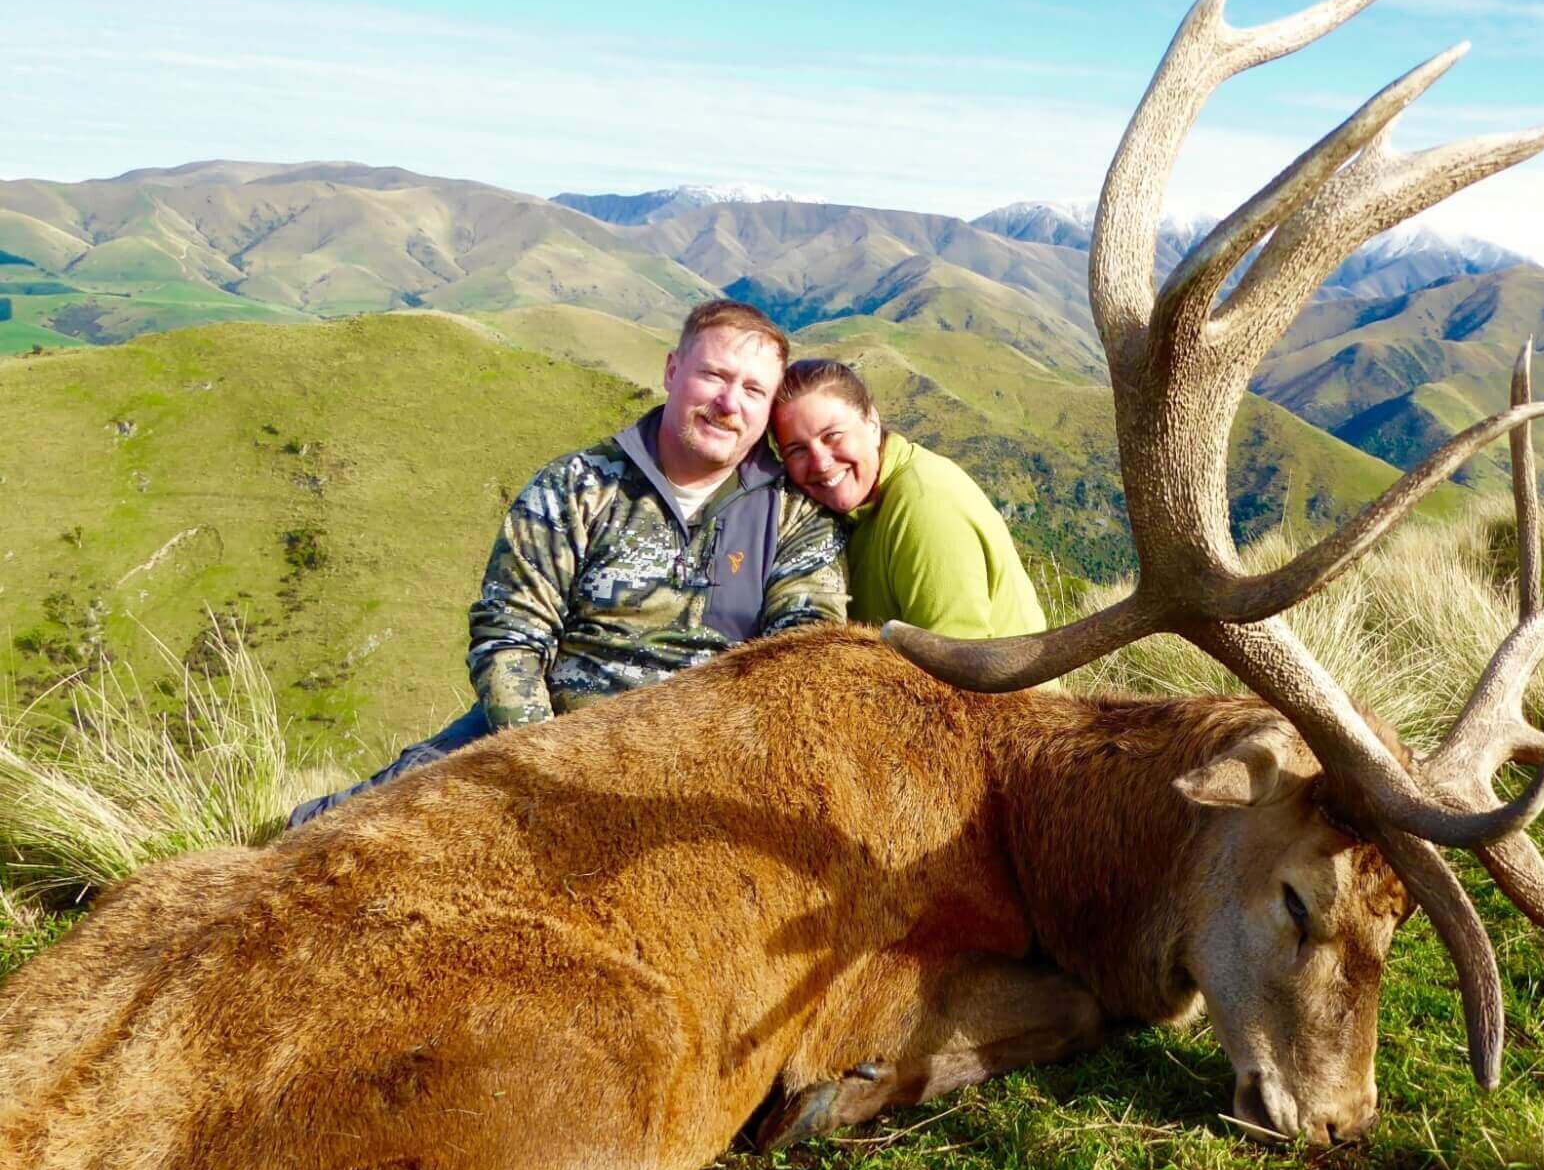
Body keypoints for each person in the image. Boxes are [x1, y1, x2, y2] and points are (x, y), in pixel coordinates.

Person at [288, 300, 848, 826]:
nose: (730, 404)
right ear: (672, 370)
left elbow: (802, 658)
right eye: (714, 377)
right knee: (350, 830)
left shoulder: (793, 515)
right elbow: (509, 636)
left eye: (753, 389)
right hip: (549, 736)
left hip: (704, 756)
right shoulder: (576, 486)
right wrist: (550, 768)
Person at [770, 359, 1046, 640]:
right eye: (797, 450)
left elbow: (952, 664)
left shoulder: (926, 505)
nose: (820, 463)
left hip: (982, 683)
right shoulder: (837, 511)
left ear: (872, 423)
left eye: (832, 436)